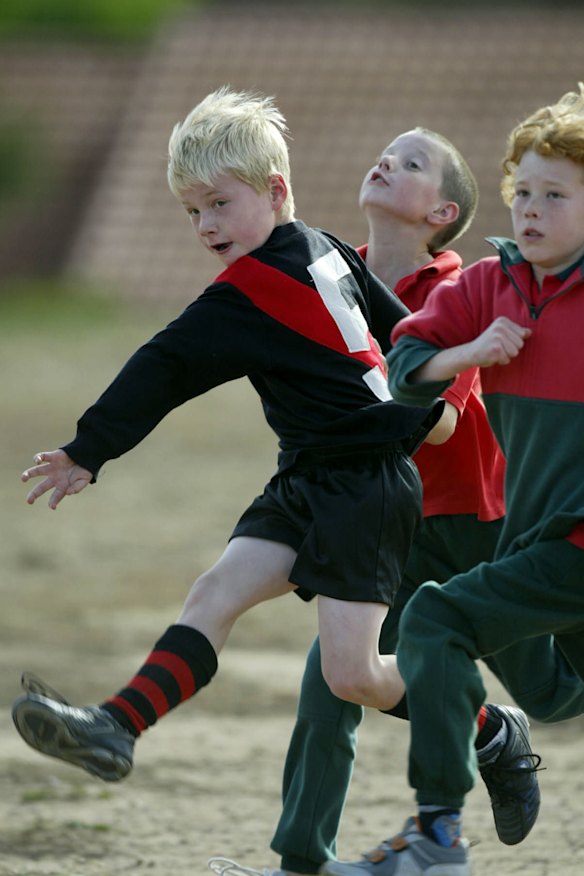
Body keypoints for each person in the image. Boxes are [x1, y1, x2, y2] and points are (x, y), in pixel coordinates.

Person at [11, 87, 444, 784]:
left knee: (355, 675)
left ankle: (487, 728)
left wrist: (89, 448)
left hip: (365, 486)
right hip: (308, 476)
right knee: (214, 594)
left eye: (219, 202)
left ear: (275, 191)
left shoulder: (250, 290)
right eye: (192, 210)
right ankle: (117, 727)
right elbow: (408, 335)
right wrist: (430, 392)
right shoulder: (323, 246)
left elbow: (166, 364)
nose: (205, 224)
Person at [209, 123, 584, 876]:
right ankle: (302, 862)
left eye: (412, 162)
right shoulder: (328, 274)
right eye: (386, 151)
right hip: (395, 523)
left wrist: (350, 403)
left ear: (442, 213)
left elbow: (440, 424)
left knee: (551, 694)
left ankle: (495, 736)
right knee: (333, 677)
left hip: (487, 525)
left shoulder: (460, 286)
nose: (386, 160)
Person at [318, 83, 584, 876]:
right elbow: (403, 367)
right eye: (523, 192)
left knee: (435, 620)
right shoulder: (486, 286)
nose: (531, 209)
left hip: (569, 542)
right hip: (536, 543)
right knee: (550, 696)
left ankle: (437, 835)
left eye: (556, 195)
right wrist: (469, 355)